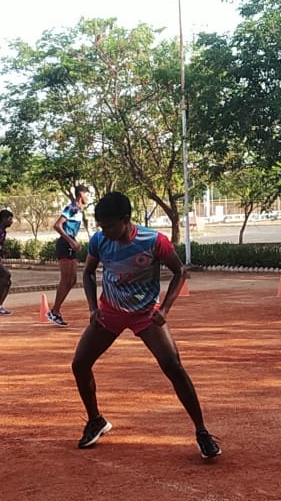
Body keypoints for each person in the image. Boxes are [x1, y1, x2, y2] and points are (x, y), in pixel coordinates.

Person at [70, 191, 221, 458]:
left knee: (173, 366)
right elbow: (88, 272)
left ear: (125, 220)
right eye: (101, 227)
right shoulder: (99, 241)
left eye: (109, 226)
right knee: (80, 363)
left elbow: (179, 272)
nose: (104, 232)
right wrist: (93, 308)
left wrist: (165, 309)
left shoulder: (153, 241)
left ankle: (202, 432)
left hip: (145, 313)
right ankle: (96, 420)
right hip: (110, 312)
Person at [48, 185, 92, 327]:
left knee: (72, 280)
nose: (88, 198)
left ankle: (55, 311)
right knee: (66, 279)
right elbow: (57, 225)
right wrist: (71, 240)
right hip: (65, 245)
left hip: (70, 245)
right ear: (81, 194)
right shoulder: (72, 208)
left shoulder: (79, 210)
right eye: (87, 194)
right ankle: (54, 311)